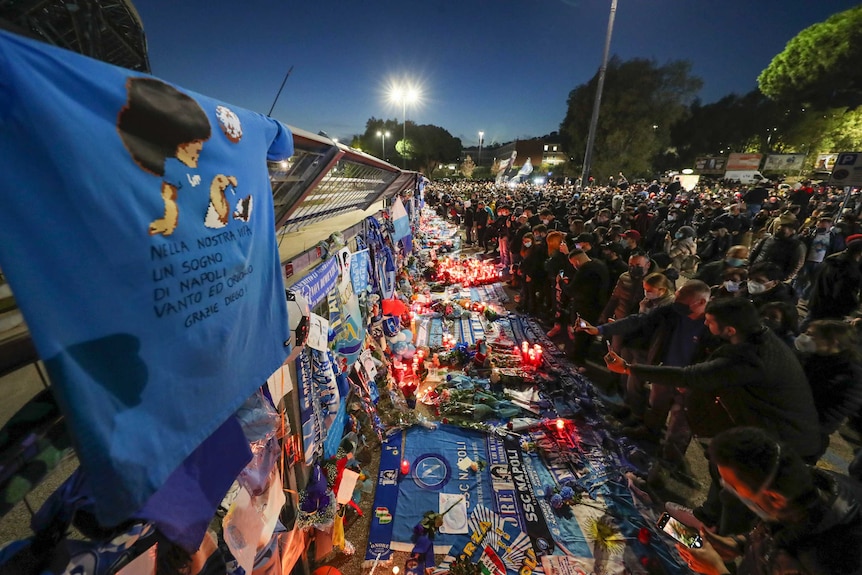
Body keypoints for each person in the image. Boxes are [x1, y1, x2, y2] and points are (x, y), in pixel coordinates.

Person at [678, 426, 862, 575]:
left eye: (734, 487)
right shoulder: (803, 487)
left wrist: (716, 570)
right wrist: (738, 544)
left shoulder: (825, 559)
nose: (729, 493)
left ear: (774, 498)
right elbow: (776, 532)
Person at [796, 320, 862, 458]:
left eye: (811, 335)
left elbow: (830, 414)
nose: (805, 337)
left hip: (807, 436)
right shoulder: (815, 357)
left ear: (832, 342)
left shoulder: (851, 374)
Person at [805, 234, 862, 325]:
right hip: (831, 314)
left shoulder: (832, 260)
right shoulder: (850, 271)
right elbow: (843, 295)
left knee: (807, 328)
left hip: (817, 304)